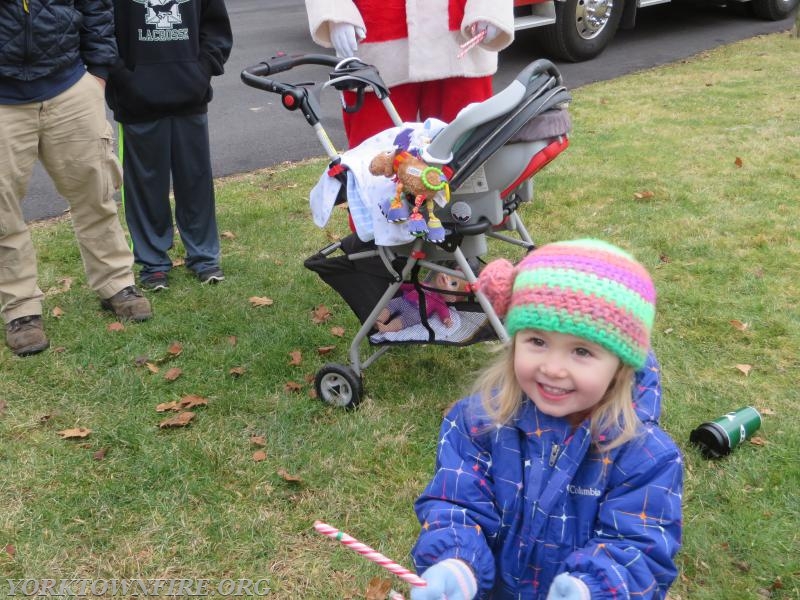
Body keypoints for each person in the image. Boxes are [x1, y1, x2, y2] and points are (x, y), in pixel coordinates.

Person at [409, 239, 683, 599]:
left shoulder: (644, 457)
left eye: (582, 350)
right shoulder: (479, 422)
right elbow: (457, 503)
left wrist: (592, 589)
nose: (553, 368)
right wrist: (456, 562)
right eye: (537, 341)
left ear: (620, 366)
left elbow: (638, 549)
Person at [0, 0, 152, 357]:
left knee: (95, 194)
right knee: (3, 213)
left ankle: (116, 284)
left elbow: (97, 8)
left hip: (69, 86)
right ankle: (21, 309)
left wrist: (97, 73)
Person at [105, 0, 233, 291]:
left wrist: (201, 71)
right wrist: (124, 79)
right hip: (136, 102)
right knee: (144, 184)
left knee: (196, 179)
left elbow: (216, 28)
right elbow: (100, 29)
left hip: (190, 96)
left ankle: (203, 256)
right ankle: (153, 262)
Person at [304, 0, 515, 147]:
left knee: (468, 153)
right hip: (377, 42)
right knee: (375, 161)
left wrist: (491, 7)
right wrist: (336, 12)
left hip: (458, 37)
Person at [376, 272, 467, 332]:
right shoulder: (425, 284)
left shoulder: (440, 301)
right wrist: (398, 286)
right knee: (390, 305)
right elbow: (411, 286)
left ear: (451, 298)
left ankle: (386, 328)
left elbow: (444, 311)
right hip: (404, 300)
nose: (446, 277)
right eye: (448, 273)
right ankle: (378, 320)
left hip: (416, 313)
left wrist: (446, 319)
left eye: (453, 283)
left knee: (401, 322)